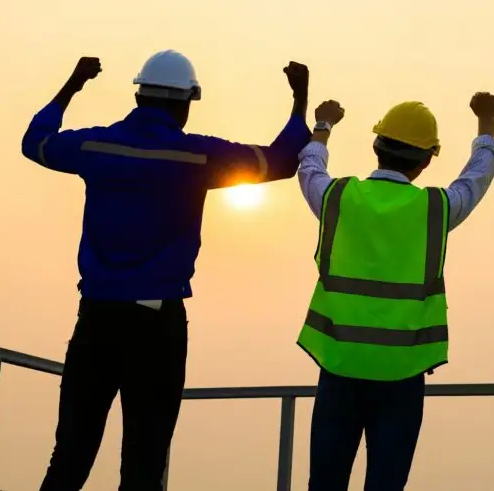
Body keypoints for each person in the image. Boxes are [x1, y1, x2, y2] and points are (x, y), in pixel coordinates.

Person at [21, 50, 313, 491]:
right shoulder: (195, 156)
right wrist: (299, 102)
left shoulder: (97, 146)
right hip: (157, 327)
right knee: (144, 460)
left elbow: (36, 142)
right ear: (187, 102)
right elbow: (282, 161)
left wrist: (73, 85)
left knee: (70, 456)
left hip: (97, 319)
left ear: (139, 95)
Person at [295, 93, 494, 491]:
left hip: (339, 367)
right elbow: (476, 177)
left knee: (325, 482)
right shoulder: (436, 209)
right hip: (402, 377)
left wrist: (323, 126)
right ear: (426, 161)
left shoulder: (338, 199)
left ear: (376, 148)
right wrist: (486, 124)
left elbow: (309, 167)